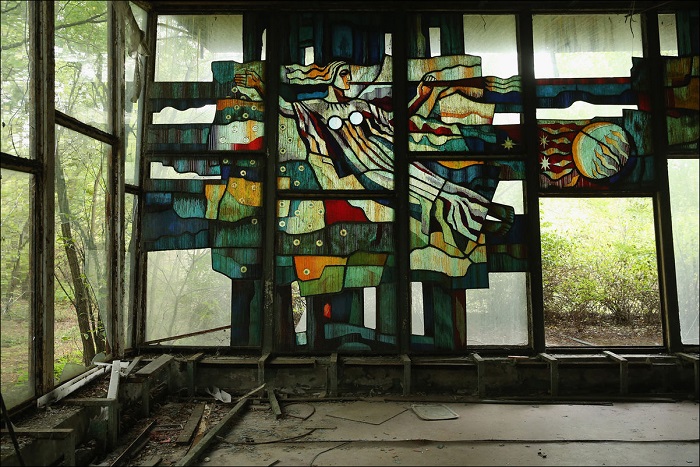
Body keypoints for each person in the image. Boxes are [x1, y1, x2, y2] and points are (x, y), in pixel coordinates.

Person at [234, 60, 514, 256]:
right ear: (330, 76)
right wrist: (260, 85)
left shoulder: (360, 104)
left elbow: (396, 118)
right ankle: (477, 222)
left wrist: (420, 96)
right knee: (421, 193)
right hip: (364, 167)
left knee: (435, 183)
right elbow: (282, 107)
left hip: (386, 155)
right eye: (344, 74)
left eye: (349, 75)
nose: (349, 80)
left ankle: (489, 213)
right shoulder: (317, 107)